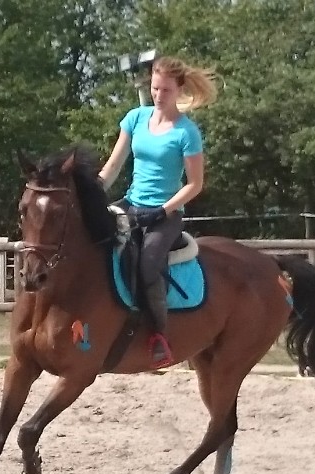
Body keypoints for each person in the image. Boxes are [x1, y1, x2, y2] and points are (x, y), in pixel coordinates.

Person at [98, 55, 218, 368]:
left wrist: (162, 211)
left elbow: (195, 184)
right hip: (130, 202)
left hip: (165, 214)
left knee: (148, 265)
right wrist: (94, 190)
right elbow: (113, 165)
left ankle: (157, 336)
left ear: (178, 90)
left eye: (165, 89)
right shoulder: (135, 118)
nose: (158, 95)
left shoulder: (186, 132)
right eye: (155, 88)